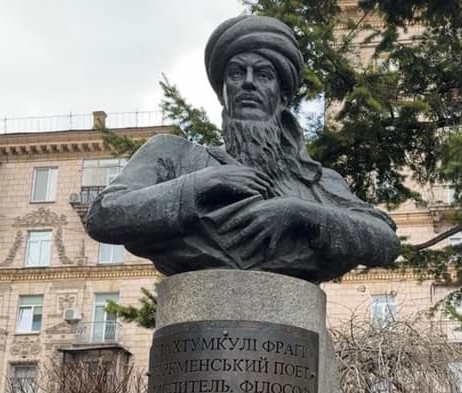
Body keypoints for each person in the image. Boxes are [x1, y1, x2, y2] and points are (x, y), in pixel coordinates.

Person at [86, 15, 400, 283]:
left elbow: (385, 241)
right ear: (223, 92)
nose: (248, 83)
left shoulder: (318, 183)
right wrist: (199, 186)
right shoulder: (174, 155)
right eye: (237, 73)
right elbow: (104, 215)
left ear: (282, 95)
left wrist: (299, 212)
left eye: (263, 75)